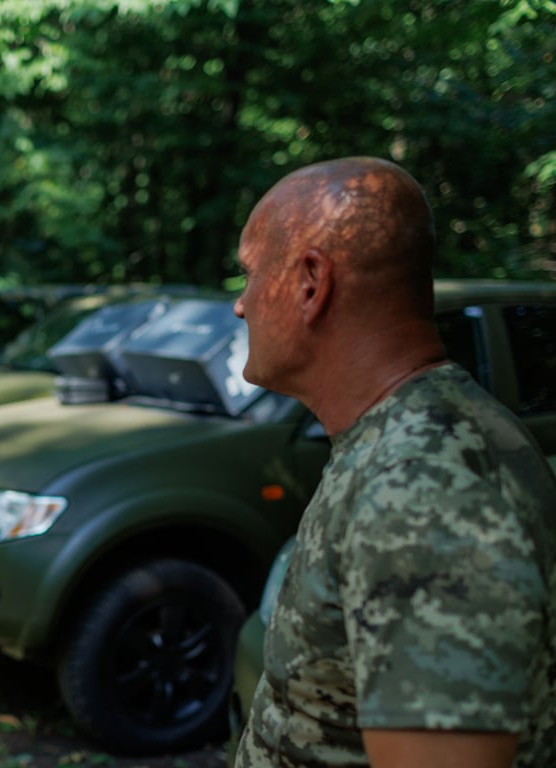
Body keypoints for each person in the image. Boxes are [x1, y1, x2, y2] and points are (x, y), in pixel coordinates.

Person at [231, 156, 555, 768]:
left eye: (249, 274)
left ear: (309, 283)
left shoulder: (424, 486)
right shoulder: (401, 441)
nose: (241, 305)